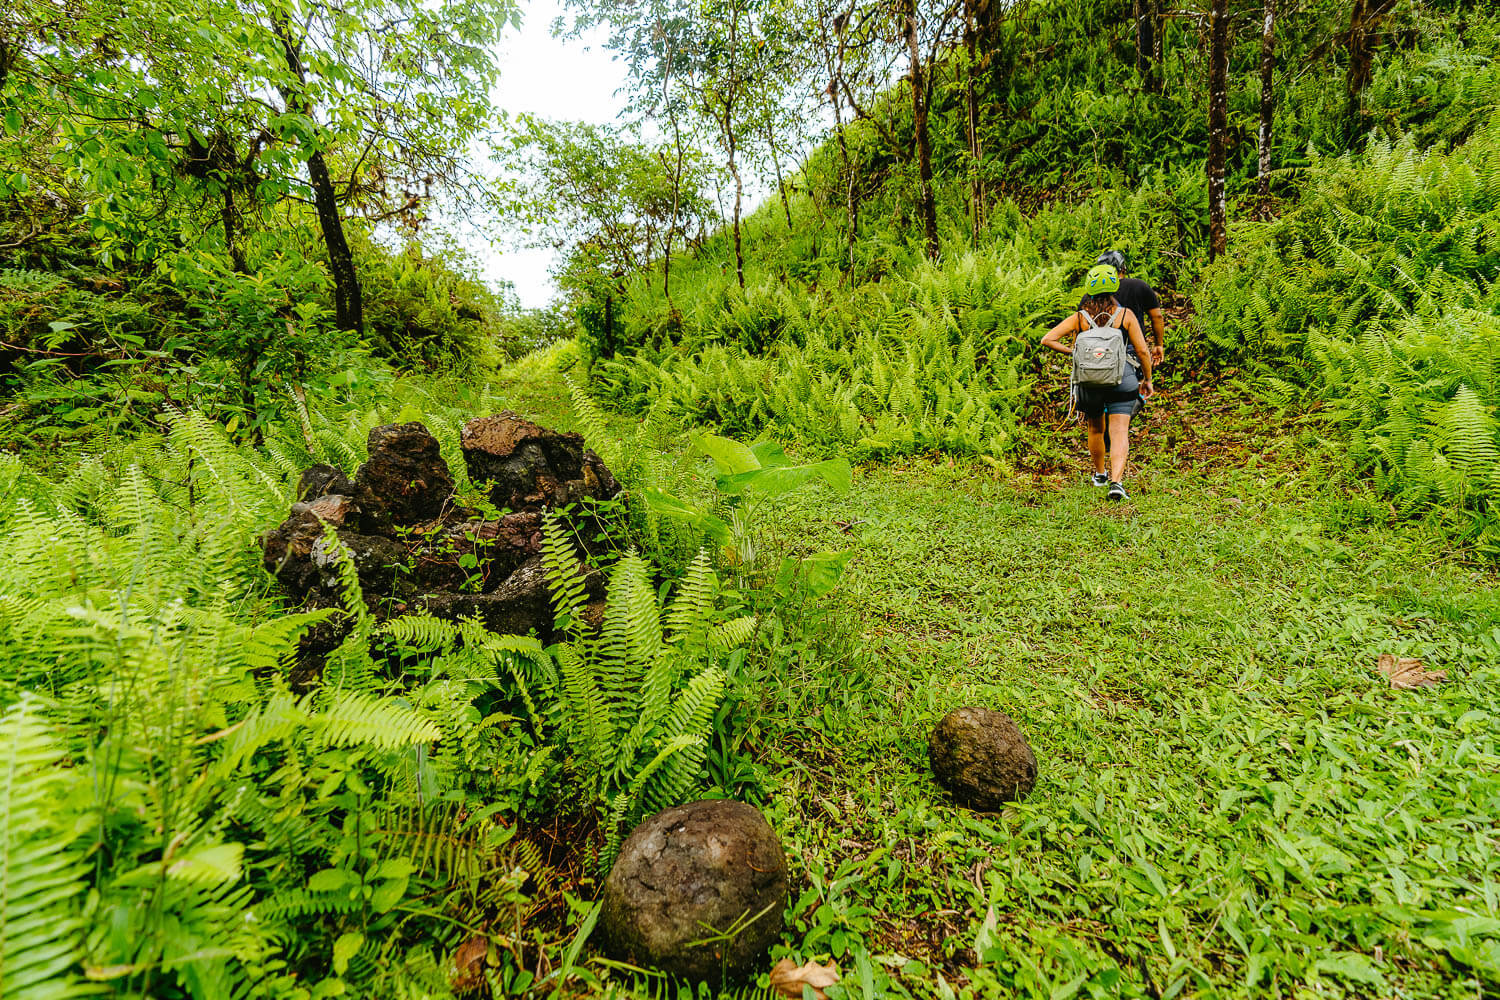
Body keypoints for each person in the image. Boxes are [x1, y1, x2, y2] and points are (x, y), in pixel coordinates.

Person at [1041, 264, 1155, 500]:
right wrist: (1147, 379)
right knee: (1120, 430)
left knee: (1095, 427)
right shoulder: (1125, 316)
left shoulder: (1080, 318)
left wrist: (1072, 351)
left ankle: (1100, 474)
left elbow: (1047, 339)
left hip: (1089, 381)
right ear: (1115, 287)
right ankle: (1117, 482)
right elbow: (1143, 351)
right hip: (1122, 379)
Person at [1084, 250, 1165, 365]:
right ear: (1123, 268)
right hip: (1133, 349)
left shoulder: (1089, 295)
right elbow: (1156, 316)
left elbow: (1080, 325)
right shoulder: (1139, 286)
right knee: (1136, 380)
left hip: (1098, 351)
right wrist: (1158, 344)